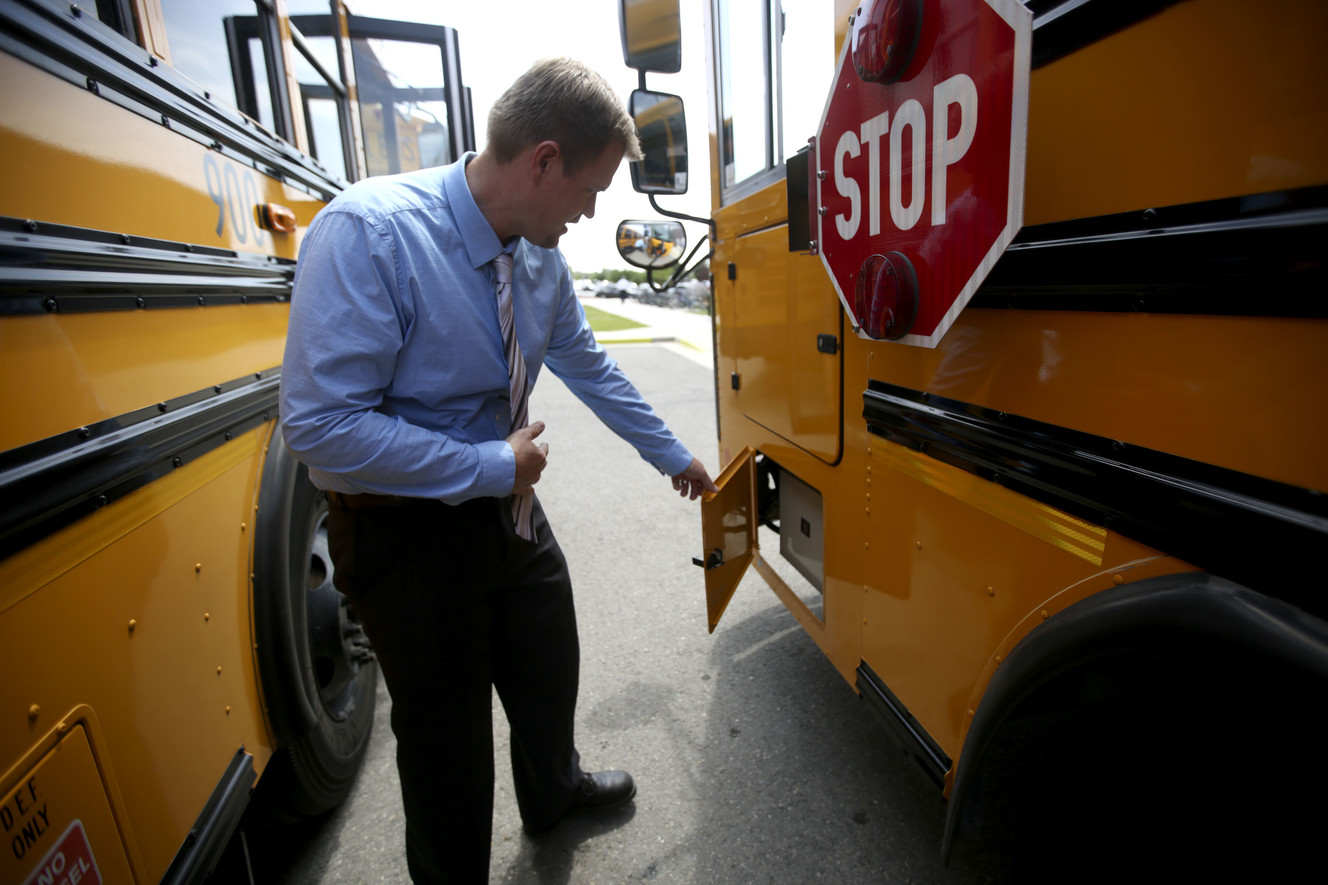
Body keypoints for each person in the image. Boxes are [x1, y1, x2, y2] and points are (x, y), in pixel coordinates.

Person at [279, 58, 717, 883]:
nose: (589, 214)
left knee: (550, 658)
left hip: (506, 503)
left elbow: (591, 365)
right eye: (589, 190)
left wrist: (675, 455)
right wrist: (490, 463)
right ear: (543, 161)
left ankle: (552, 790)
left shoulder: (541, 259)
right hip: (406, 527)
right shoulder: (371, 232)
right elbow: (322, 428)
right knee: (448, 748)